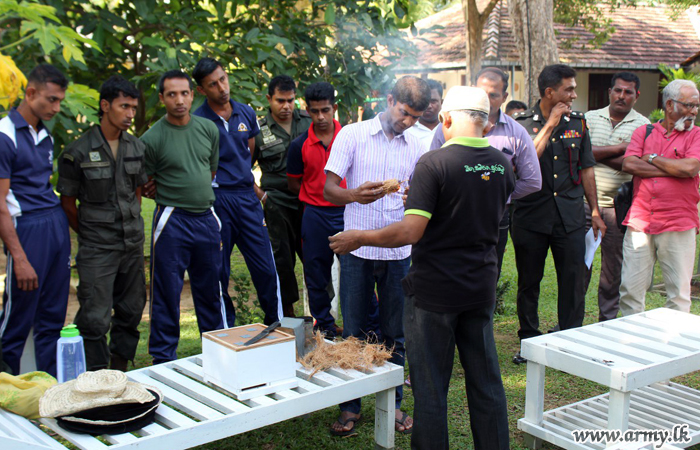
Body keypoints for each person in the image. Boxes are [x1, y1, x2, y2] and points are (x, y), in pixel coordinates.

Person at [330, 86, 513, 450]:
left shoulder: (434, 163)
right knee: (486, 381)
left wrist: (359, 237)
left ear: (445, 119)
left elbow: (412, 231)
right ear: (485, 122)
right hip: (480, 287)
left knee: (430, 388)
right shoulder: (503, 163)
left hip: (435, 293)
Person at [324, 75, 432, 437]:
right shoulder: (352, 135)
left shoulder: (419, 141)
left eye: (416, 117)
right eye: (404, 113)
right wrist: (354, 195)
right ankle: (351, 406)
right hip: (356, 249)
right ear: (388, 101)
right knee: (353, 331)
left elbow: (421, 192)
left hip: (399, 250)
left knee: (395, 333)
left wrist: (411, 198)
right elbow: (328, 189)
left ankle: (395, 402)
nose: (408, 122)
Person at [511, 64, 606, 364]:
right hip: (531, 216)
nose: (574, 95)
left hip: (569, 216)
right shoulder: (522, 124)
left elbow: (586, 167)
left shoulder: (578, 123)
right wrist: (550, 125)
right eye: (569, 89)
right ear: (550, 92)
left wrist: (594, 210)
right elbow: (523, 164)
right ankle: (529, 340)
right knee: (529, 280)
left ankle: (570, 341)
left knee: (573, 279)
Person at [57, 75, 148, 372]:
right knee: (95, 316)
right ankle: (95, 373)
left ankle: (119, 368)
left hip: (132, 243)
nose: (130, 114)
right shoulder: (78, 151)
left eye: (134, 108)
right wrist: (91, 235)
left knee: (132, 310)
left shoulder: (136, 147)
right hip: (97, 247)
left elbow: (136, 193)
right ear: (105, 105)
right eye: (124, 106)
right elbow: (68, 204)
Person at [141, 70, 228, 364]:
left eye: (184, 93)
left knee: (210, 290)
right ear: (163, 98)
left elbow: (210, 171)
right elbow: (146, 181)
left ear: (192, 95)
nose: (179, 100)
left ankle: (217, 357)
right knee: (167, 291)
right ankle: (163, 361)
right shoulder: (151, 138)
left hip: (206, 218)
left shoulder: (209, 130)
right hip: (172, 221)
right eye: (171, 94)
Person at [192, 58, 282, 326]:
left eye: (223, 79)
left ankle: (274, 324)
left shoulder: (245, 113)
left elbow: (249, 152)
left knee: (266, 267)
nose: (221, 88)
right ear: (201, 90)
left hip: (246, 198)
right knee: (218, 270)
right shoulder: (197, 120)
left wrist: (244, 182)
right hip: (216, 200)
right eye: (213, 84)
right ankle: (224, 331)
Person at [430, 67, 542, 276]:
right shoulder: (448, 126)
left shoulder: (515, 132)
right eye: (482, 93)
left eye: (493, 95)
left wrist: (497, 196)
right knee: (449, 271)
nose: (487, 100)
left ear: (505, 97)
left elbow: (533, 180)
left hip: (494, 216)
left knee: (487, 273)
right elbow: (432, 169)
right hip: (452, 213)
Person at [0, 64, 71, 376]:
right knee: (18, 316)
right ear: (30, 93)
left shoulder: (45, 134)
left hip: (54, 223)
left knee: (53, 315)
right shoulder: (5, 135)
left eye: (59, 101)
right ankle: (5, 394)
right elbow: (0, 205)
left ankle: (49, 394)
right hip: (27, 229)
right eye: (51, 100)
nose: (56, 107)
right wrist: (19, 257)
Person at [618, 79, 700, 315]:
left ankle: (672, 348)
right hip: (640, 221)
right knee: (630, 290)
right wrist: (673, 169)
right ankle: (631, 345)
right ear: (670, 104)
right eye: (689, 105)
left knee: (678, 294)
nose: (694, 111)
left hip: (678, 222)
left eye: (697, 106)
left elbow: (690, 169)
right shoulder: (644, 132)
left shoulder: (696, 135)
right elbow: (629, 163)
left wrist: (652, 159)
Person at [582, 72, 650, 321]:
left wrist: (592, 154)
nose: (622, 96)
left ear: (636, 95)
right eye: (618, 90)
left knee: (613, 270)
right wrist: (621, 149)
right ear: (610, 91)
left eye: (628, 92)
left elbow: (634, 164)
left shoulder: (644, 126)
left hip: (617, 208)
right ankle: (570, 319)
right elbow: (580, 154)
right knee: (578, 266)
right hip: (583, 205)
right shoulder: (589, 118)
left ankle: (607, 322)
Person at [287, 82, 343, 337]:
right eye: (315, 111)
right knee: (316, 272)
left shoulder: (349, 139)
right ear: (306, 110)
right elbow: (293, 182)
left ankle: (363, 325)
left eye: (326, 110)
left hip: (347, 212)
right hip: (314, 214)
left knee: (356, 271)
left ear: (335, 108)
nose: (321, 117)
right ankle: (325, 326)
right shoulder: (299, 145)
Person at [253, 75, 312, 318]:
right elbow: (242, 168)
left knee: (315, 257)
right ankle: (287, 315)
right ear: (269, 99)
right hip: (277, 203)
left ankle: (321, 316)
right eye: (280, 101)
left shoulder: (308, 122)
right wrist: (263, 197)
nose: (286, 106)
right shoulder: (258, 129)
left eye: (290, 100)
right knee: (282, 261)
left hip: (308, 201)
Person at [406, 79, 442, 151]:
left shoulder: (449, 129)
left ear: (442, 102)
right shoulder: (407, 131)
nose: (429, 106)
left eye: (433, 101)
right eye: (425, 101)